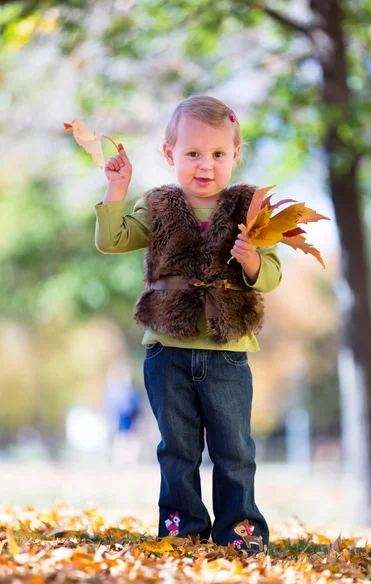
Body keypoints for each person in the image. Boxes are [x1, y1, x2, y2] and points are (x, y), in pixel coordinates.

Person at [94, 95, 282, 554]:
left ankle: (240, 535)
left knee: (234, 451)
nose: (206, 165)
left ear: (235, 156)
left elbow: (273, 276)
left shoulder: (250, 209)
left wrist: (253, 259)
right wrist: (116, 189)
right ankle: (181, 530)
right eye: (193, 153)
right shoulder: (157, 207)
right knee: (177, 450)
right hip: (167, 351)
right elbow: (112, 240)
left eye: (218, 154)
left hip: (228, 354)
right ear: (169, 155)